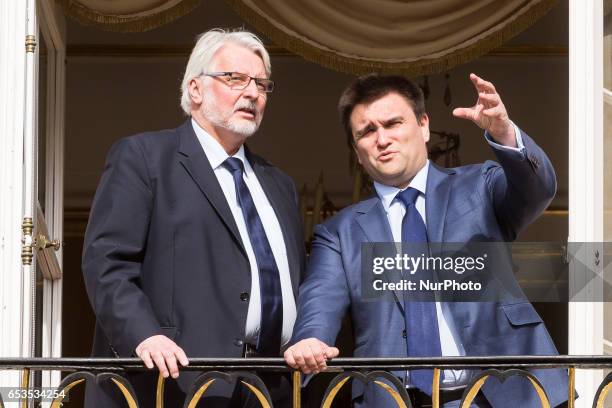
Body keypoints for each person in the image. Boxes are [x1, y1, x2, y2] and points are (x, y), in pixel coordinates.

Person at [284, 74, 568, 407]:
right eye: (367, 131)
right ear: (357, 152)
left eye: (393, 123)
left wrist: (503, 132)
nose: (382, 139)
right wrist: (310, 340)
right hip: (399, 399)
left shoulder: (479, 185)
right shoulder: (338, 233)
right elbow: (321, 298)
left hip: (507, 394)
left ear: (423, 126)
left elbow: (538, 189)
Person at [82, 29, 305, 407]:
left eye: (262, 84)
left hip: (269, 389)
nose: (252, 93)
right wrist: (144, 336)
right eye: (235, 79)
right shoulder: (145, 158)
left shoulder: (279, 184)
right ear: (195, 89)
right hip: (172, 381)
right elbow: (107, 264)